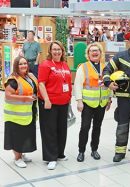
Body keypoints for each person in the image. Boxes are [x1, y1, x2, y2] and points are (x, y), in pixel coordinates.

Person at [74, 43, 112, 162]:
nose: (95, 53)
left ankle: (94, 149)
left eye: (97, 51)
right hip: (87, 103)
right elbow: (78, 85)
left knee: (97, 127)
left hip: (101, 103)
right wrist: (79, 101)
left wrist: (109, 99)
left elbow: (109, 84)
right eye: (92, 51)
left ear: (101, 53)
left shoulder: (106, 67)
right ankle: (81, 151)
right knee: (85, 127)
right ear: (88, 54)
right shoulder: (83, 67)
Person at [38, 41, 72, 170]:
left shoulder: (64, 65)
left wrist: (69, 98)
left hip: (63, 103)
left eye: (59, 49)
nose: (57, 52)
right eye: (54, 49)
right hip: (49, 104)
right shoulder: (45, 65)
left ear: (62, 51)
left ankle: (59, 153)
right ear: (50, 51)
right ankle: (50, 157)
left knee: (61, 130)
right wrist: (46, 99)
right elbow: (41, 83)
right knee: (49, 131)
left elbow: (68, 83)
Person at [3, 56, 37, 168]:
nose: (24, 66)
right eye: (21, 64)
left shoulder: (28, 76)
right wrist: (25, 98)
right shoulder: (13, 80)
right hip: (15, 115)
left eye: (25, 63)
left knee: (24, 135)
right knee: (16, 136)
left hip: (27, 113)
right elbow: (8, 96)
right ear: (16, 66)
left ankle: (21, 155)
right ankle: (17, 158)